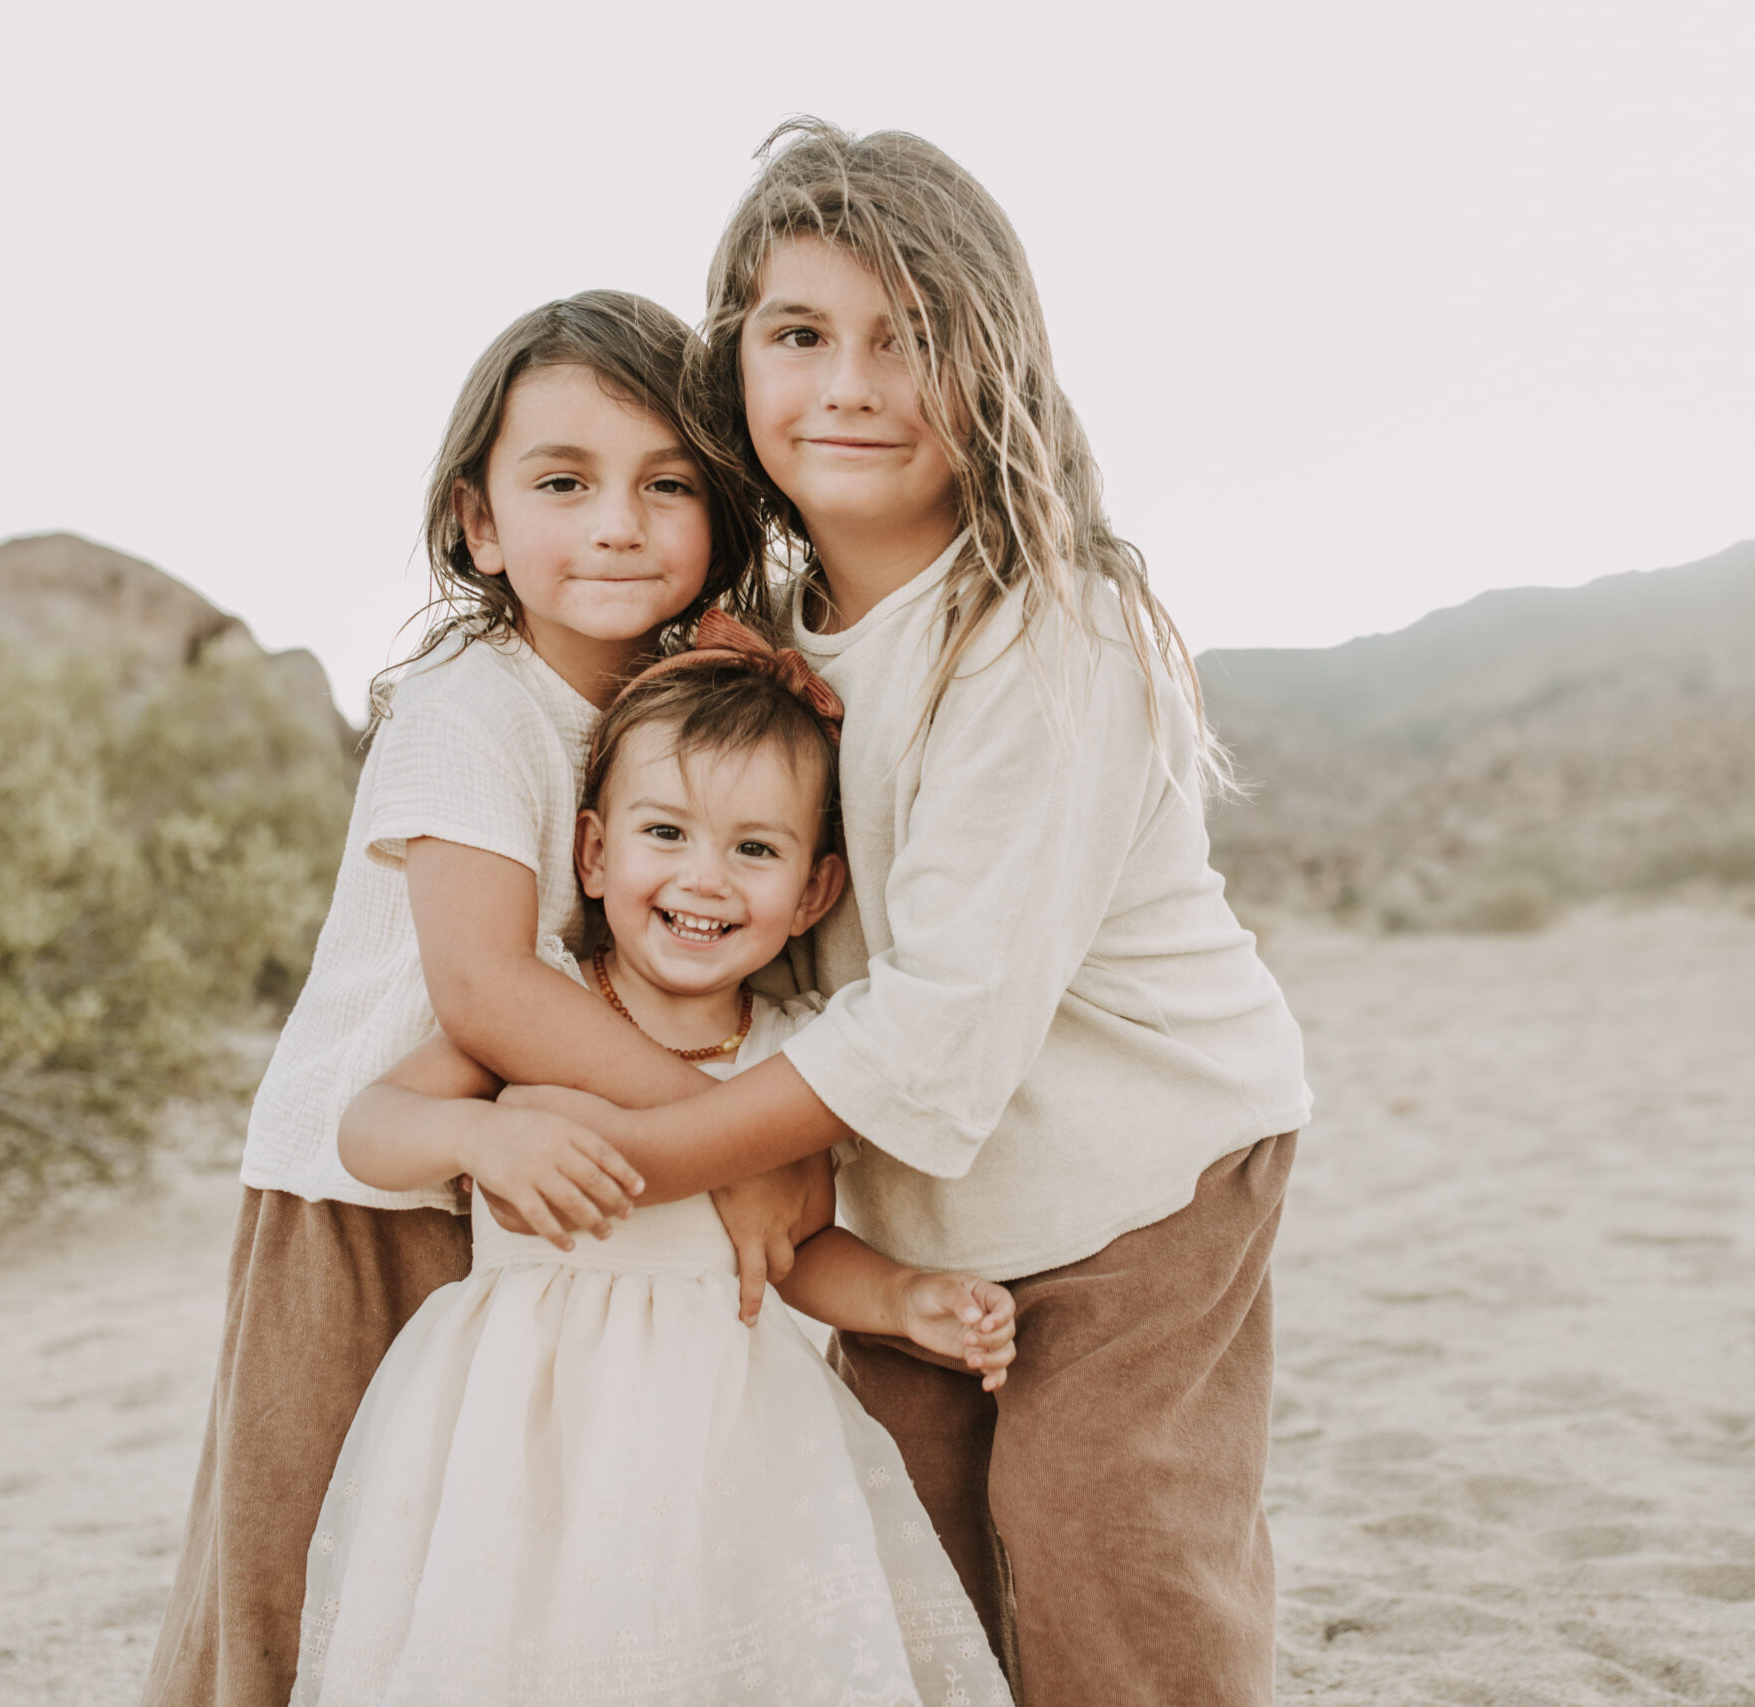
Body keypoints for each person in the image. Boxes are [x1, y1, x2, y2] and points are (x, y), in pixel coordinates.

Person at [499, 122, 1314, 1705]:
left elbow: (943, 1017)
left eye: (909, 337)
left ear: (994, 364)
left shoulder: (1045, 628)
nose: (850, 384)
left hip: (1139, 1167)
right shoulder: (764, 641)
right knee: (926, 1569)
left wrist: (641, 1157)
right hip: (910, 1208)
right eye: (800, 334)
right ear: (737, 356)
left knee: (1103, 1546)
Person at [142, 291, 810, 1707]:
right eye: (564, 482)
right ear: (481, 523)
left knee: (459, 1574)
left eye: (668, 483)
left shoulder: (651, 701)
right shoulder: (470, 709)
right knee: (301, 1562)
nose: (618, 522)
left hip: (505, 1193)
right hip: (360, 1185)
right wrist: (744, 1137)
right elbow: (490, 985)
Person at [292, 630, 1015, 1707]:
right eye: (664, 832)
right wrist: (477, 1136)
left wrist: (905, 1300)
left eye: (754, 851)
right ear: (592, 853)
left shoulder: (792, 1058)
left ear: (816, 892)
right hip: (516, 1428)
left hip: (724, 1430)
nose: (702, 879)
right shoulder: (538, 1015)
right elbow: (370, 1125)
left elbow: (799, 1247)